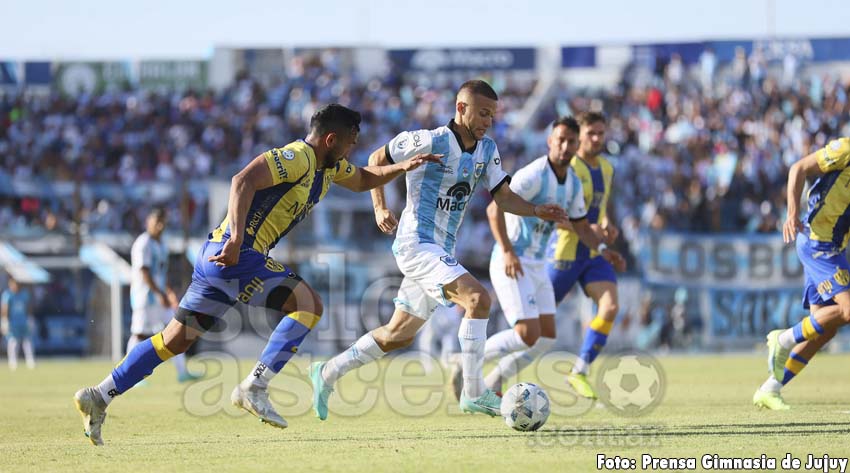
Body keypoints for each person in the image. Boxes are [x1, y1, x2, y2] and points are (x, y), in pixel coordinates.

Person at [73, 104, 440, 445]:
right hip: (236, 253)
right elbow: (242, 180)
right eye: (350, 142)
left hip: (218, 261)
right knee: (308, 305)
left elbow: (363, 179)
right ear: (331, 139)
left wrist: (403, 168)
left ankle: (100, 395)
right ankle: (255, 386)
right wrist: (235, 239)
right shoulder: (297, 157)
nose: (351, 150)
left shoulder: (330, 167)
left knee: (174, 341)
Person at [309, 80, 569, 420]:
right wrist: (379, 207)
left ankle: (327, 372)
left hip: (441, 248)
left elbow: (502, 197)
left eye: (492, 115)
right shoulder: (429, 139)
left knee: (397, 335)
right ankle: (474, 393)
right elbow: (376, 158)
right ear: (461, 108)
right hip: (416, 242)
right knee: (478, 300)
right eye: (482, 113)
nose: (487, 121)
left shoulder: (488, 150)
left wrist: (536, 210)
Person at [477, 116, 624, 396]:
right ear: (550, 142)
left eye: (571, 141)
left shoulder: (575, 183)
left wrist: (604, 250)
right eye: (562, 140)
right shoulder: (534, 175)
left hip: (539, 262)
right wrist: (508, 251)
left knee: (544, 337)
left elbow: (582, 225)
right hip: (527, 258)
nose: (566, 146)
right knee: (527, 333)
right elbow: (495, 209)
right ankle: (469, 359)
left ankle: (498, 378)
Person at [755, 137, 850, 410]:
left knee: (825, 328)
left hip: (833, 248)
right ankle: (782, 338)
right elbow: (798, 168)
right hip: (817, 243)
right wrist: (791, 214)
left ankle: (770, 388)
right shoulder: (845, 150)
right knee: (847, 310)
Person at [546, 111, 623, 399]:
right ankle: (489, 371)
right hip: (565, 251)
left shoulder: (606, 167)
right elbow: (556, 215)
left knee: (611, 306)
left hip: (593, 253)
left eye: (601, 134)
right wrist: (589, 227)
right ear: (579, 137)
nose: (596, 139)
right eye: (591, 133)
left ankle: (579, 370)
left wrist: (606, 226)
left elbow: (599, 211)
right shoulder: (568, 167)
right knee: (534, 323)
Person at [128, 208, 200, 383]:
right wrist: (159, 293)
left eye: (162, 222)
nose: (160, 226)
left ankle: (182, 372)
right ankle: (130, 373)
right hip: (145, 297)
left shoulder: (161, 244)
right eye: (156, 222)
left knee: (175, 331)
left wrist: (168, 292)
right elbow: (144, 272)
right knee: (140, 334)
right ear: (148, 222)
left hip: (160, 297)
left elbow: (161, 272)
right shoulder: (143, 243)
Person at [1, 277, 35, 370]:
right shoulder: (7, 294)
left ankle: (30, 361)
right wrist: (4, 320)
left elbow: (28, 307)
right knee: (13, 342)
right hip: (13, 323)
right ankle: (12, 362)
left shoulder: (24, 294)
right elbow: (5, 308)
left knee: (27, 341)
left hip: (23, 321)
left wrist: (30, 318)